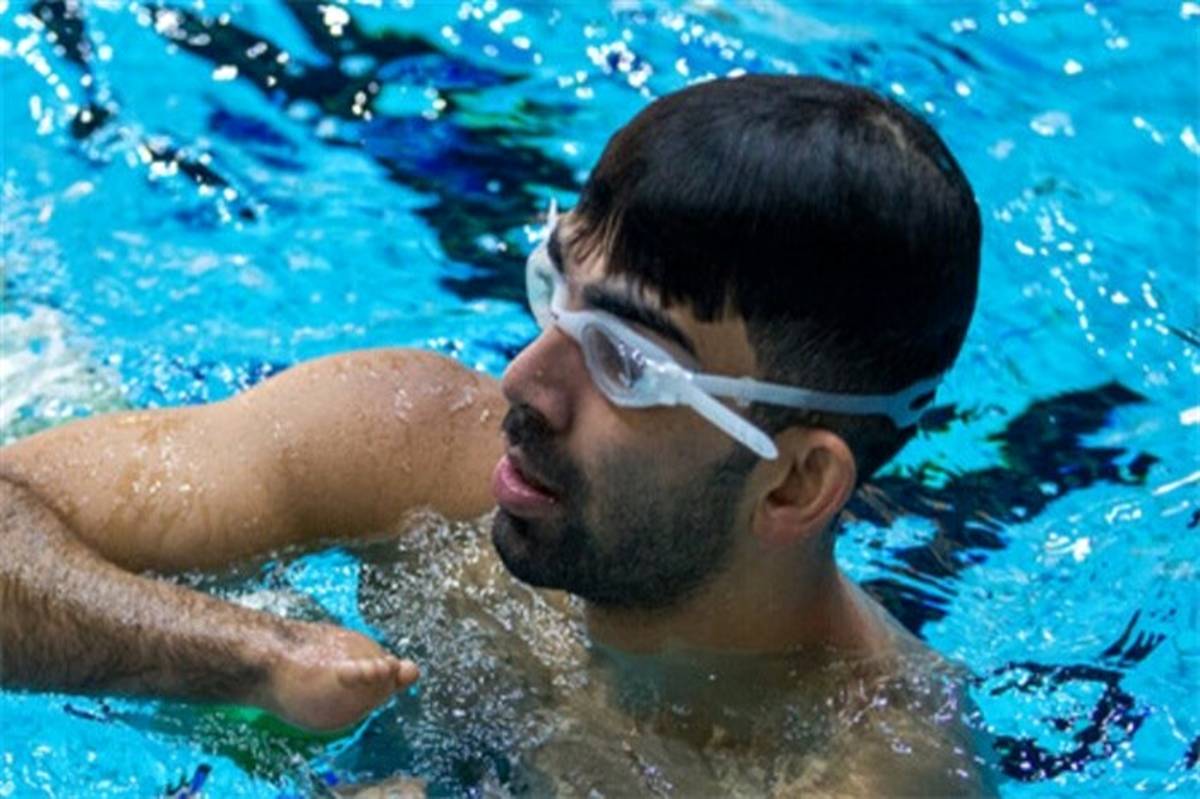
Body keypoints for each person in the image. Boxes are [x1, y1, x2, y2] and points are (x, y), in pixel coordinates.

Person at [0, 75, 988, 794]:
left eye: (626, 361)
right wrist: (253, 653)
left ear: (795, 484)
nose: (525, 378)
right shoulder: (418, 442)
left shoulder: (864, 772)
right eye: (555, 290)